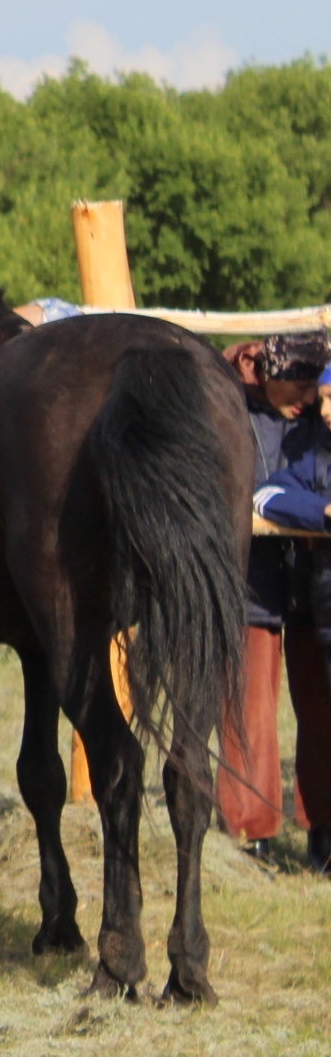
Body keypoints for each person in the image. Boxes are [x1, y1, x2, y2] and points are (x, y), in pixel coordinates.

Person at [221, 334, 331, 867]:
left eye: (320, 390)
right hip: (250, 578)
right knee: (248, 707)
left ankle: (324, 826)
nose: (313, 401)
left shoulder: (314, 417)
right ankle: (251, 832)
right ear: (270, 373)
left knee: (321, 705)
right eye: (305, 388)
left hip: (314, 583)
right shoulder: (222, 400)